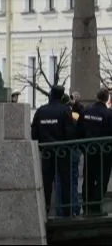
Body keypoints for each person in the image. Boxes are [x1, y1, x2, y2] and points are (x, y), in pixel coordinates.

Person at [31, 85, 74, 217]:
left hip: (47, 152)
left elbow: (34, 133)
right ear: (61, 96)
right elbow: (70, 132)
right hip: (62, 151)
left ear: (50, 94)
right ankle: (67, 212)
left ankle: (45, 210)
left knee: (46, 183)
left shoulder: (41, 111)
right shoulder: (65, 110)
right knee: (65, 181)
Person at [78, 89, 112, 216]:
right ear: (107, 99)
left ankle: (86, 206)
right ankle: (96, 207)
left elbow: (79, 130)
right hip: (104, 153)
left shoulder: (85, 111)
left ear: (96, 96)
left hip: (89, 151)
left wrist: (84, 147)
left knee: (88, 178)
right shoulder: (108, 114)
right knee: (102, 179)